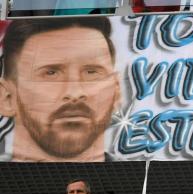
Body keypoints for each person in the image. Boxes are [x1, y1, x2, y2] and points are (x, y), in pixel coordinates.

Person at [0, 17, 121, 162]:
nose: (74, 93)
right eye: (50, 73)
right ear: (6, 98)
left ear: (116, 92)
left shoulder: (136, 181)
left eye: (91, 72)